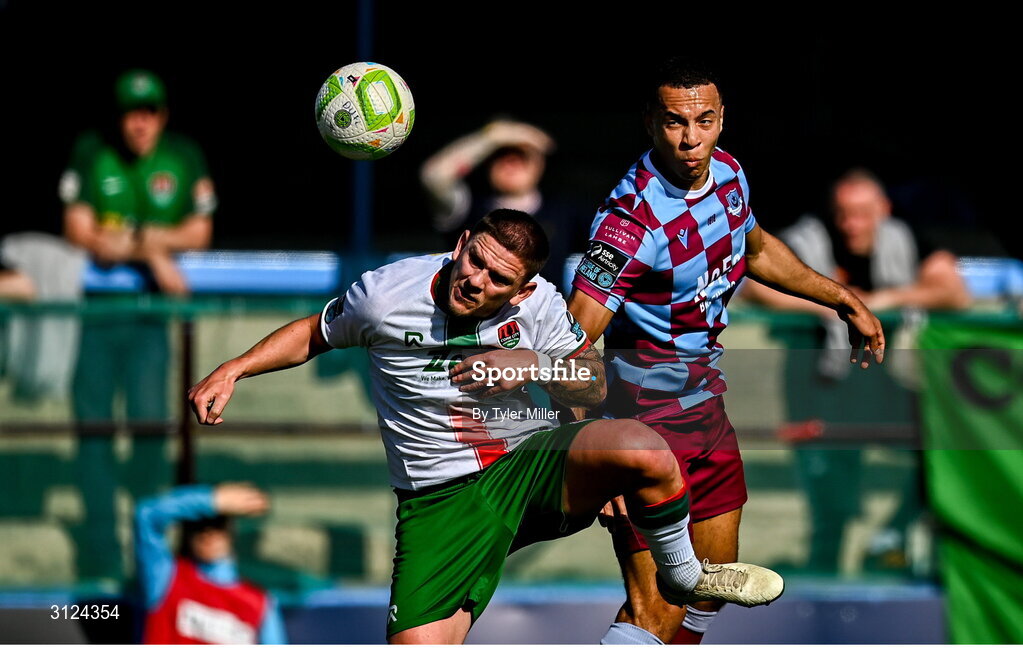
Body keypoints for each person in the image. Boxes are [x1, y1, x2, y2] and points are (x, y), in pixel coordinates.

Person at [188, 210, 783, 644]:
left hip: (529, 469)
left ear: (521, 290)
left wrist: (532, 365)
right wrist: (235, 368)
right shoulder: (383, 296)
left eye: (499, 280)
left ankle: (680, 575)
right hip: (439, 502)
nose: (477, 280)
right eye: (475, 261)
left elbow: (594, 385)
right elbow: (315, 332)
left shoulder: (542, 305)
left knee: (643, 448)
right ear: (461, 242)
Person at [566, 59, 886, 644]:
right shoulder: (628, 222)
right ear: (649, 123)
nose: (690, 140)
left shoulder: (730, 174)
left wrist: (842, 298)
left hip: (706, 411)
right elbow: (575, 339)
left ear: (721, 120)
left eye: (703, 121)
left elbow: (757, 250)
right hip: (643, 424)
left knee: (707, 594)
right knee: (656, 611)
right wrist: (596, 453)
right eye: (673, 123)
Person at [740, 169, 971, 572]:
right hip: (818, 387)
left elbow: (953, 290)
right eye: (844, 214)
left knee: (943, 447)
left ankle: (887, 541)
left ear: (883, 210)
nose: (852, 225)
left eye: (863, 214)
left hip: (882, 385)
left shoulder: (903, 238)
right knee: (831, 502)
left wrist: (884, 300)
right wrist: (841, 305)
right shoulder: (806, 240)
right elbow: (756, 285)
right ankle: (823, 585)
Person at [60, 69, 216, 579]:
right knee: (95, 431)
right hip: (96, 317)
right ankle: (101, 547)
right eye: (131, 112)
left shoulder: (183, 156)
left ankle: (149, 547)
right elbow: (80, 230)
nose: (140, 123)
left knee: (151, 428)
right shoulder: (93, 151)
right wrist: (153, 250)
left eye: (149, 112)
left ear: (162, 116)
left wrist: (141, 241)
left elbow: (200, 229)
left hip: (151, 321)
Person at [421, 119, 589, 289]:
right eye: (502, 154)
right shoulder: (467, 208)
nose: (511, 161)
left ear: (540, 164)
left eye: (522, 155)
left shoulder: (565, 212)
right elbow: (434, 177)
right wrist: (494, 136)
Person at [135, 483, 287, 644]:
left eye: (218, 524)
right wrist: (213, 501)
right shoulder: (167, 578)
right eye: (198, 525)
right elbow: (146, 515)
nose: (208, 533)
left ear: (231, 531)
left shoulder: (260, 604)